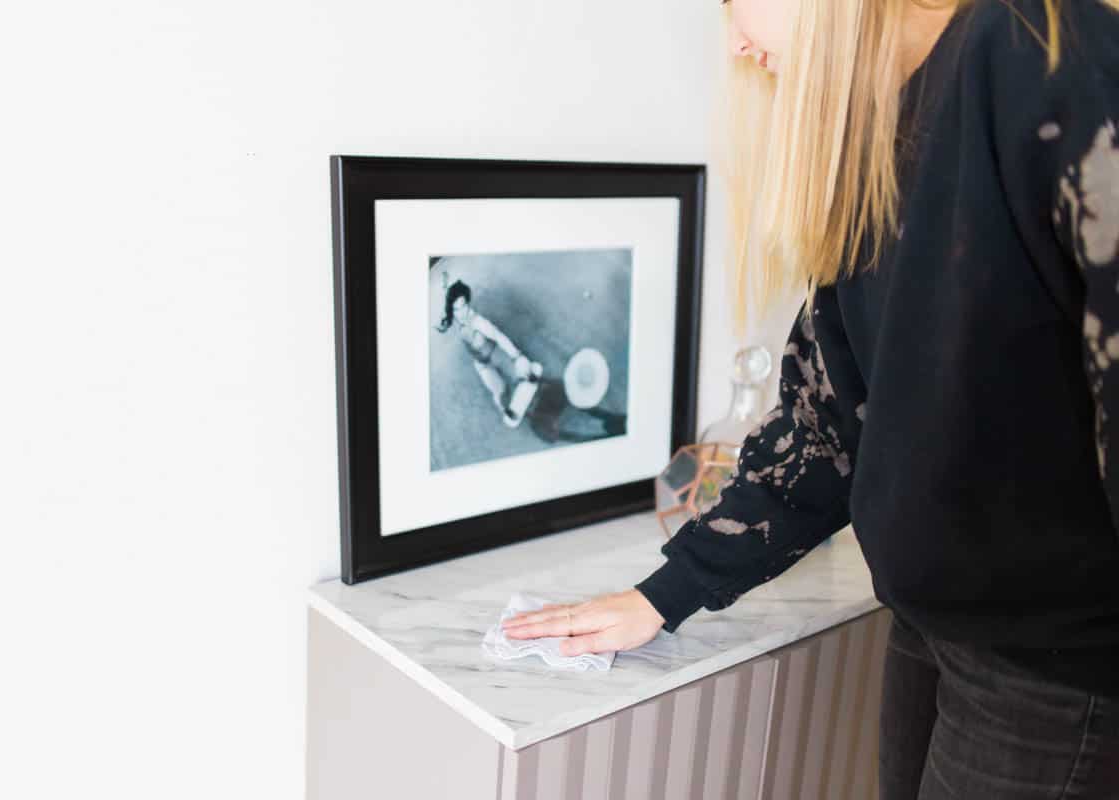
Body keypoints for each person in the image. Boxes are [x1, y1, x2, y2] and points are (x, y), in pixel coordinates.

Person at [500, 1, 1119, 797]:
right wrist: (667, 592)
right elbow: (827, 420)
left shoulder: (1049, 62)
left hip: (1054, 663)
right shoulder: (877, 133)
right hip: (934, 629)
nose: (732, 39)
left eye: (733, 5)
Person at [436, 279, 543, 427]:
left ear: (468, 303)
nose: (461, 313)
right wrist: (447, 287)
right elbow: (449, 301)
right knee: (498, 389)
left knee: (515, 373)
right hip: (481, 363)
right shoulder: (455, 318)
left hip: (495, 354)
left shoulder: (477, 321)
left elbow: (498, 336)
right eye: (457, 309)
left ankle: (526, 372)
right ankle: (506, 408)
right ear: (452, 310)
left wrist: (515, 354)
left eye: (464, 306)